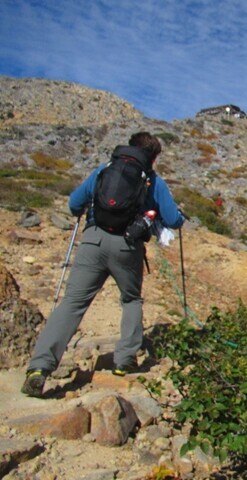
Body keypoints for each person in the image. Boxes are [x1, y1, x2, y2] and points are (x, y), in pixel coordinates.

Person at [22, 132, 185, 398]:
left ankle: (39, 368)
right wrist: (177, 218)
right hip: (127, 247)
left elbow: (74, 203)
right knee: (131, 299)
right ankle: (124, 360)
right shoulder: (152, 181)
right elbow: (172, 219)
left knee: (73, 303)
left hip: (93, 240)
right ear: (153, 157)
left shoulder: (104, 170)